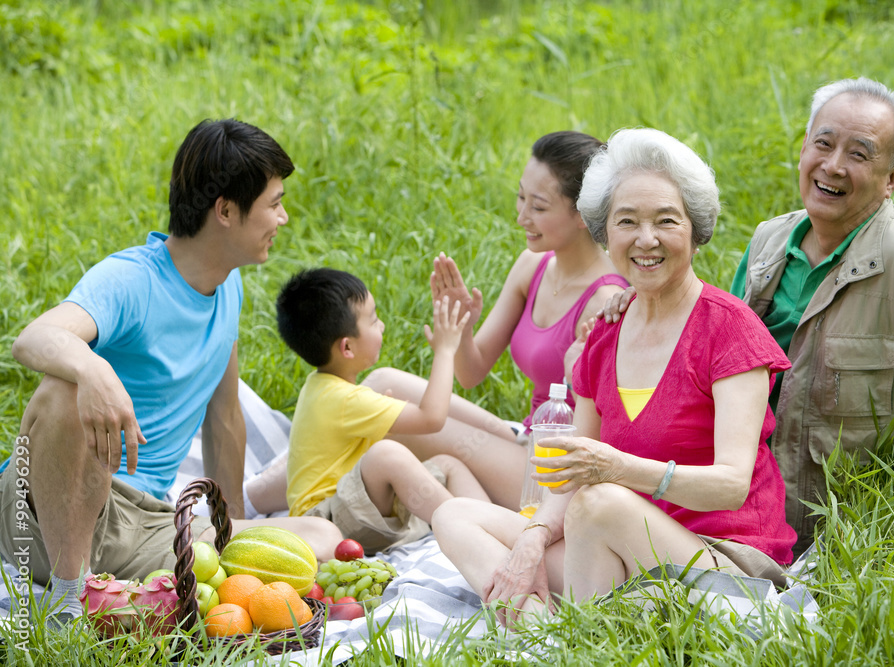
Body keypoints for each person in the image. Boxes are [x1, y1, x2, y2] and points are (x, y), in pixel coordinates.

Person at [434, 128, 797, 626]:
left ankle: (583, 635)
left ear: (695, 230)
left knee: (600, 502)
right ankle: (541, 626)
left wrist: (615, 469)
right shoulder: (605, 335)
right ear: (605, 233)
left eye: (666, 221)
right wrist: (533, 541)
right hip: (616, 547)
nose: (645, 240)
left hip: (722, 563)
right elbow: (567, 476)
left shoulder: (728, 328)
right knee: (455, 515)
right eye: (627, 222)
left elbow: (731, 485)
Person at [605, 78, 894, 556]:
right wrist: (632, 298)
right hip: (736, 511)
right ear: (803, 148)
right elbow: (710, 343)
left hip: (844, 534)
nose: (833, 165)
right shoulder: (767, 242)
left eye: (860, 154)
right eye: (823, 144)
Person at [0, 119, 342, 623]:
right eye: (274, 203)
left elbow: (225, 418)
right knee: (63, 389)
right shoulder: (130, 280)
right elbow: (33, 339)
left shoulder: (228, 287)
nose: (284, 217)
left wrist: (237, 537)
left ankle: (105, 594)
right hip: (45, 511)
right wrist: (95, 372)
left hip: (146, 522)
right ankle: (67, 605)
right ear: (225, 210)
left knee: (320, 541)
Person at [360, 131, 630, 510]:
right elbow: (471, 373)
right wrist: (460, 331)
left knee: (383, 416)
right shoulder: (533, 265)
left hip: (555, 474)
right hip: (525, 436)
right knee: (379, 385)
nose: (522, 216)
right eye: (521, 197)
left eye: (538, 206)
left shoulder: (604, 302)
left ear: (585, 214)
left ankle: (294, 506)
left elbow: (610, 431)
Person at [275, 268, 489, 551]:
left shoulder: (325, 388)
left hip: (348, 510)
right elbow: (432, 418)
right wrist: (445, 350)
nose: (383, 325)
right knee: (386, 455)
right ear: (347, 347)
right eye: (374, 320)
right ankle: (473, 538)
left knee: (450, 466)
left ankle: (493, 525)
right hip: (323, 522)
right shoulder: (343, 400)